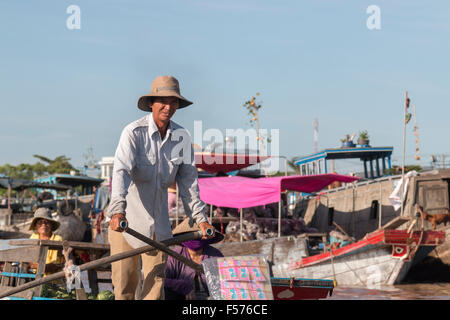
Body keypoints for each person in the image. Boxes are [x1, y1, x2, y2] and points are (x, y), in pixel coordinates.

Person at [107, 75, 215, 300]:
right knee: (124, 285)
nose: (168, 107)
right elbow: (121, 173)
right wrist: (117, 210)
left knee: (156, 286)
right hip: (126, 223)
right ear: (151, 104)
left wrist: (200, 218)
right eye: (163, 102)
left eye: (173, 102)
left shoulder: (181, 138)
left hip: (159, 226)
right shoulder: (133, 133)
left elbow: (188, 182)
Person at [164, 218, 224, 300]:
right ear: (183, 237)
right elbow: (163, 280)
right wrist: (181, 286)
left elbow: (225, 280)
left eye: (199, 235)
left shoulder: (215, 255)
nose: (195, 239)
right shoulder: (175, 255)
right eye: (191, 235)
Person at [29, 208, 64, 276]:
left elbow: (56, 264)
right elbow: (28, 259)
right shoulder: (33, 238)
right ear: (36, 226)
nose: (44, 225)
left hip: (53, 278)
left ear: (51, 225)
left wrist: (38, 266)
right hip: (34, 276)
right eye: (40, 223)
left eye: (47, 222)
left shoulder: (57, 239)